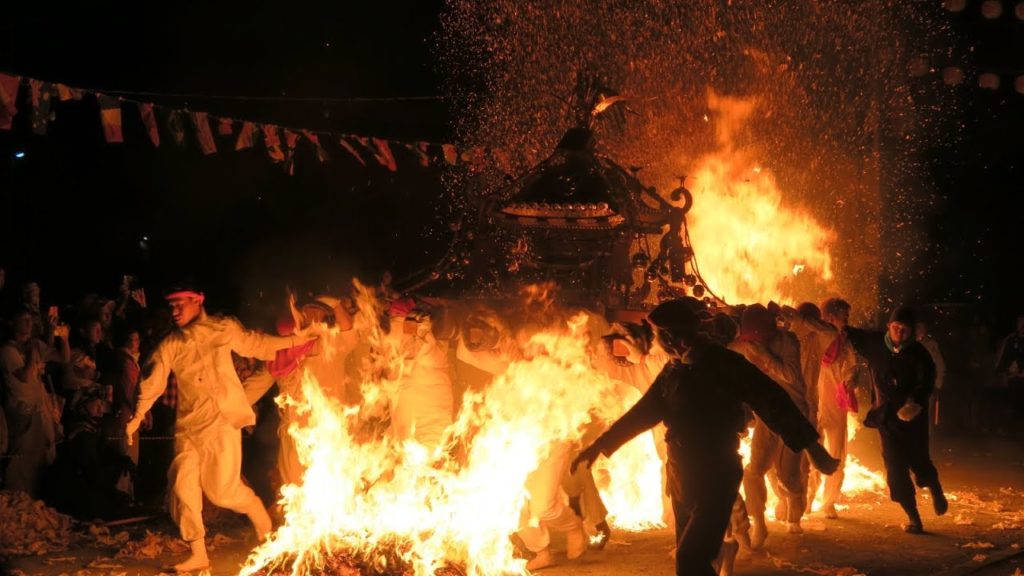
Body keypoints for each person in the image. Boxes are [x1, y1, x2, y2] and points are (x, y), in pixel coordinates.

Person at [572, 297, 838, 576]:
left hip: (717, 476)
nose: (655, 342)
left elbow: (774, 402)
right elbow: (641, 414)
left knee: (690, 561)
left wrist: (812, 447)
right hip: (681, 478)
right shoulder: (673, 371)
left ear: (677, 339)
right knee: (691, 559)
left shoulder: (727, 365)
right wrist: (598, 448)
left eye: (658, 336)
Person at [124, 283, 318, 572]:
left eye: (180, 305)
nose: (174, 312)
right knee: (183, 486)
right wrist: (137, 417)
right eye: (171, 306)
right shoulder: (171, 344)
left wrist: (294, 341)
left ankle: (261, 520)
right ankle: (198, 552)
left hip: (221, 424)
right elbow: (152, 381)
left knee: (222, 492)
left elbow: (259, 344)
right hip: (188, 428)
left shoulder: (222, 329)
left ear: (198, 301)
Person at [846, 305, 947, 533]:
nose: (899, 333)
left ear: (911, 331)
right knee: (895, 469)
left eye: (904, 329)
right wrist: (834, 323)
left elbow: (927, 382)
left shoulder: (920, 355)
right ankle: (913, 517)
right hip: (886, 419)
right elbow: (851, 333)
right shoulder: (875, 344)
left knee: (919, 461)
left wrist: (915, 403)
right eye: (896, 328)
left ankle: (934, 488)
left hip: (912, 419)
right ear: (888, 327)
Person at [728, 303, 810, 544]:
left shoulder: (788, 341)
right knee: (754, 471)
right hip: (767, 414)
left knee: (788, 476)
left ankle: (794, 509)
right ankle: (759, 524)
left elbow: (791, 376)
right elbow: (728, 355)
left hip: (793, 414)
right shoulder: (746, 346)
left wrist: (765, 355)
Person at [915, 320, 946, 431]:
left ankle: (926, 435)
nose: (920, 332)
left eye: (922, 329)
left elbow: (939, 364)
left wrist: (938, 381)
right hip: (912, 385)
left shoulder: (931, 345)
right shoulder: (909, 343)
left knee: (926, 412)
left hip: (927, 385)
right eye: (918, 329)